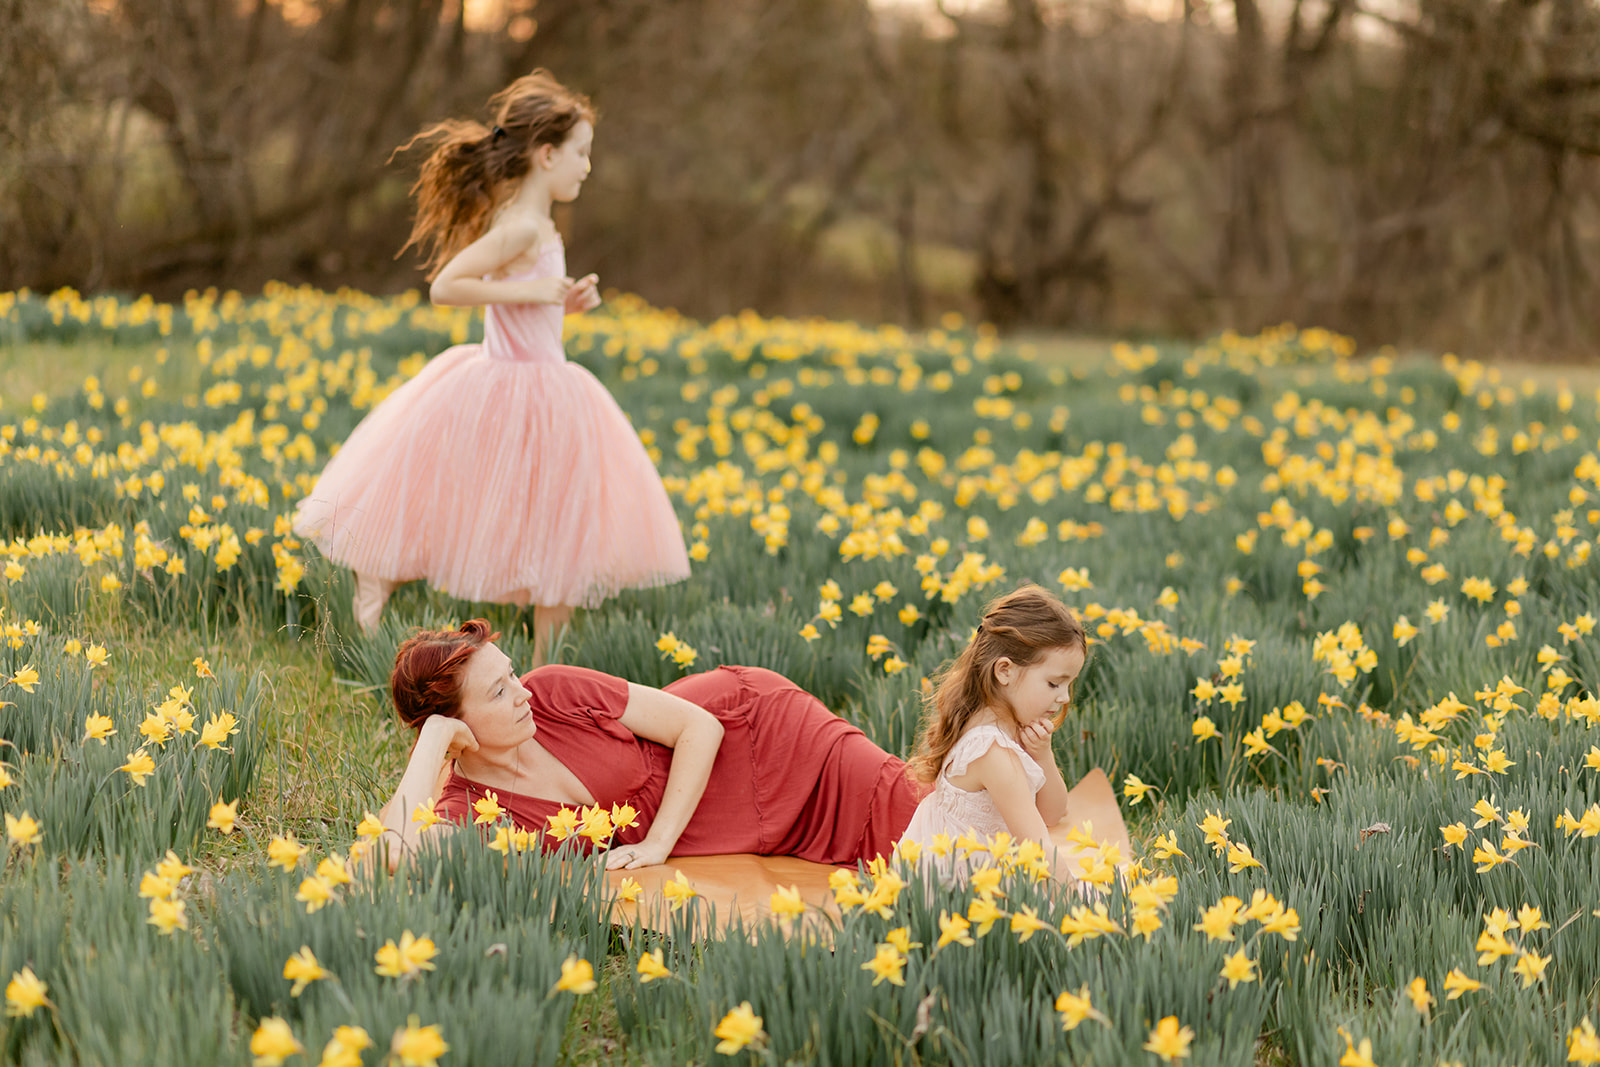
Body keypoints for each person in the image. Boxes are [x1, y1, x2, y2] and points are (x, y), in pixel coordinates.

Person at [292, 71, 689, 660]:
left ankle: (546, 667)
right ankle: (386, 576)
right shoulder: (522, 226)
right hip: (510, 386)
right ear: (547, 154)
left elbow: (527, 310)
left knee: (550, 526)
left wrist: (564, 303)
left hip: (548, 383)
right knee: (485, 513)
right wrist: (535, 294)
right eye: (580, 154)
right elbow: (447, 287)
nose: (587, 166)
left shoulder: (538, 224)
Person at [373, 620, 926, 870]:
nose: (522, 694)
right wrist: (433, 742)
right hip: (731, 823)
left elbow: (700, 728)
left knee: (929, 830)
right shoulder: (466, 809)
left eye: (511, 674)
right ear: (455, 724)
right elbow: (390, 856)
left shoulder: (552, 690)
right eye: (498, 692)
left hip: (760, 737)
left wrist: (658, 844)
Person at [896, 584, 1087, 882]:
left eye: (1068, 685)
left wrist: (1043, 756)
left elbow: (1052, 814)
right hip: (964, 883)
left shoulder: (1001, 721)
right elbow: (1037, 850)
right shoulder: (992, 752)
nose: (1064, 697)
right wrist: (1081, 910)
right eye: (1053, 684)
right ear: (1005, 671)